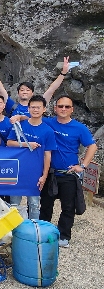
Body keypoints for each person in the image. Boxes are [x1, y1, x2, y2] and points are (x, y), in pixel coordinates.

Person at [40, 95, 96, 248]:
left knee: (68, 207)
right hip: (50, 173)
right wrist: (18, 116)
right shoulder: (48, 122)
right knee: (45, 205)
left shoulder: (79, 128)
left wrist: (83, 166)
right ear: (55, 108)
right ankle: (42, 234)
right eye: (60, 106)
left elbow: (92, 146)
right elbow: (33, 116)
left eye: (66, 107)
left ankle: (63, 236)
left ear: (72, 109)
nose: (63, 109)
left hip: (68, 174)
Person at [6, 95, 57, 220]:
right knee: (14, 203)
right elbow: (9, 143)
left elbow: (47, 154)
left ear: (44, 109)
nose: (35, 110)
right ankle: (13, 231)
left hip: (35, 172)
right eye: (32, 107)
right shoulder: (20, 125)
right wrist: (27, 145)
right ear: (28, 109)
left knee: (34, 204)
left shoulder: (48, 131)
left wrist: (44, 176)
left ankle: (34, 231)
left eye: (38, 107)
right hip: (17, 170)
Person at [0, 57, 70, 123]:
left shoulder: (38, 104)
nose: (25, 92)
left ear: (32, 93)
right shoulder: (12, 106)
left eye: (27, 90)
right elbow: (0, 88)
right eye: (22, 90)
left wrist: (63, 73)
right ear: (18, 93)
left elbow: (51, 89)